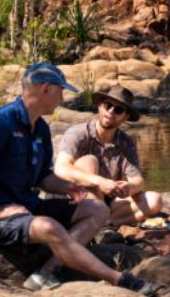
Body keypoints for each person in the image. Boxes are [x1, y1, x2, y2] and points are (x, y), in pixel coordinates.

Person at [0, 62, 156, 295]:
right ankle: (119, 279)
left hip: (28, 206)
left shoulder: (41, 130)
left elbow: (43, 177)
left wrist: (68, 187)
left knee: (97, 210)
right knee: (50, 227)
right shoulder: (0, 124)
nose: (62, 97)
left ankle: (46, 273)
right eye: (61, 90)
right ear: (46, 89)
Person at [54, 86, 163, 226]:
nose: (111, 111)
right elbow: (61, 168)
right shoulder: (77, 133)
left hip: (106, 202)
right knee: (89, 161)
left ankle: (103, 223)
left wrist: (129, 187)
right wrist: (100, 182)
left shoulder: (126, 142)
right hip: (72, 198)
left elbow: (138, 181)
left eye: (118, 110)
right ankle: (95, 220)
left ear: (125, 117)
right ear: (100, 106)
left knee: (155, 201)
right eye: (108, 105)